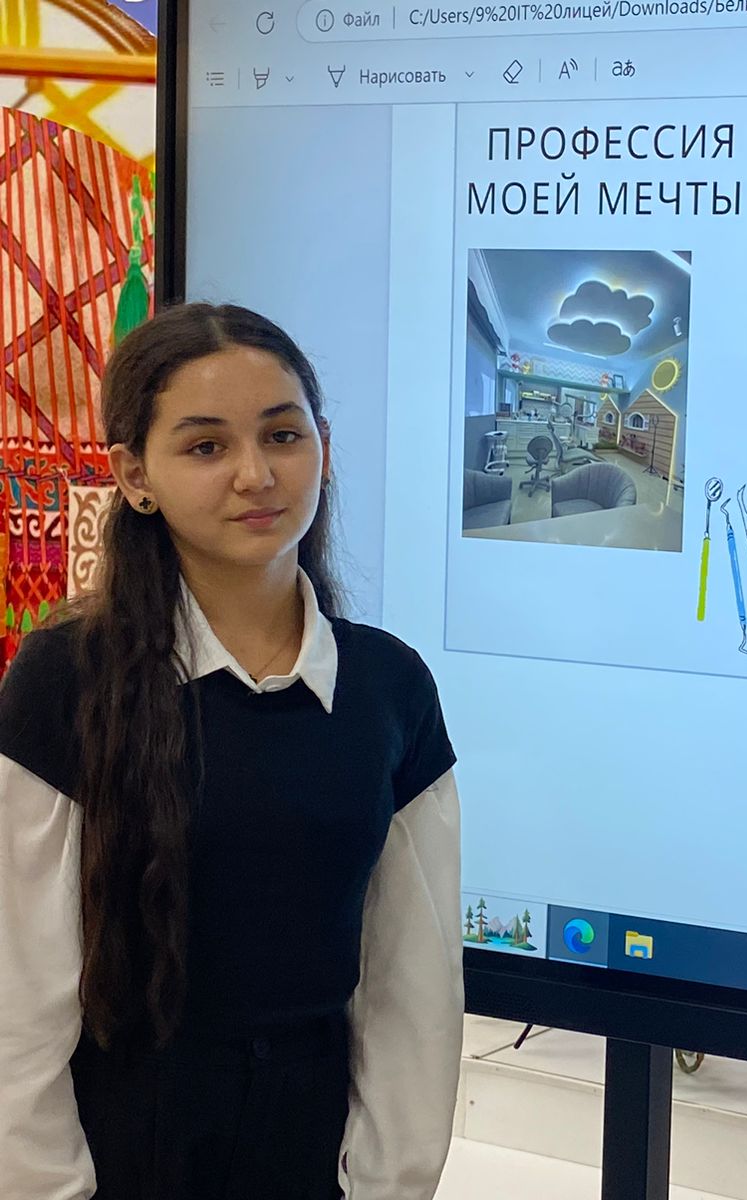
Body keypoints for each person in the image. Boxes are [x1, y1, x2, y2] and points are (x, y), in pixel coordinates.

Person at [0, 304, 463, 1199]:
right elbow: (17, 996)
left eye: (283, 435)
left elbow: (414, 987)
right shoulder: (66, 680)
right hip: (121, 1154)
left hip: (313, 1154)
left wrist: (387, 1184)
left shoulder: (388, 689)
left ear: (323, 447)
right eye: (206, 446)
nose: (257, 474)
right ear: (135, 476)